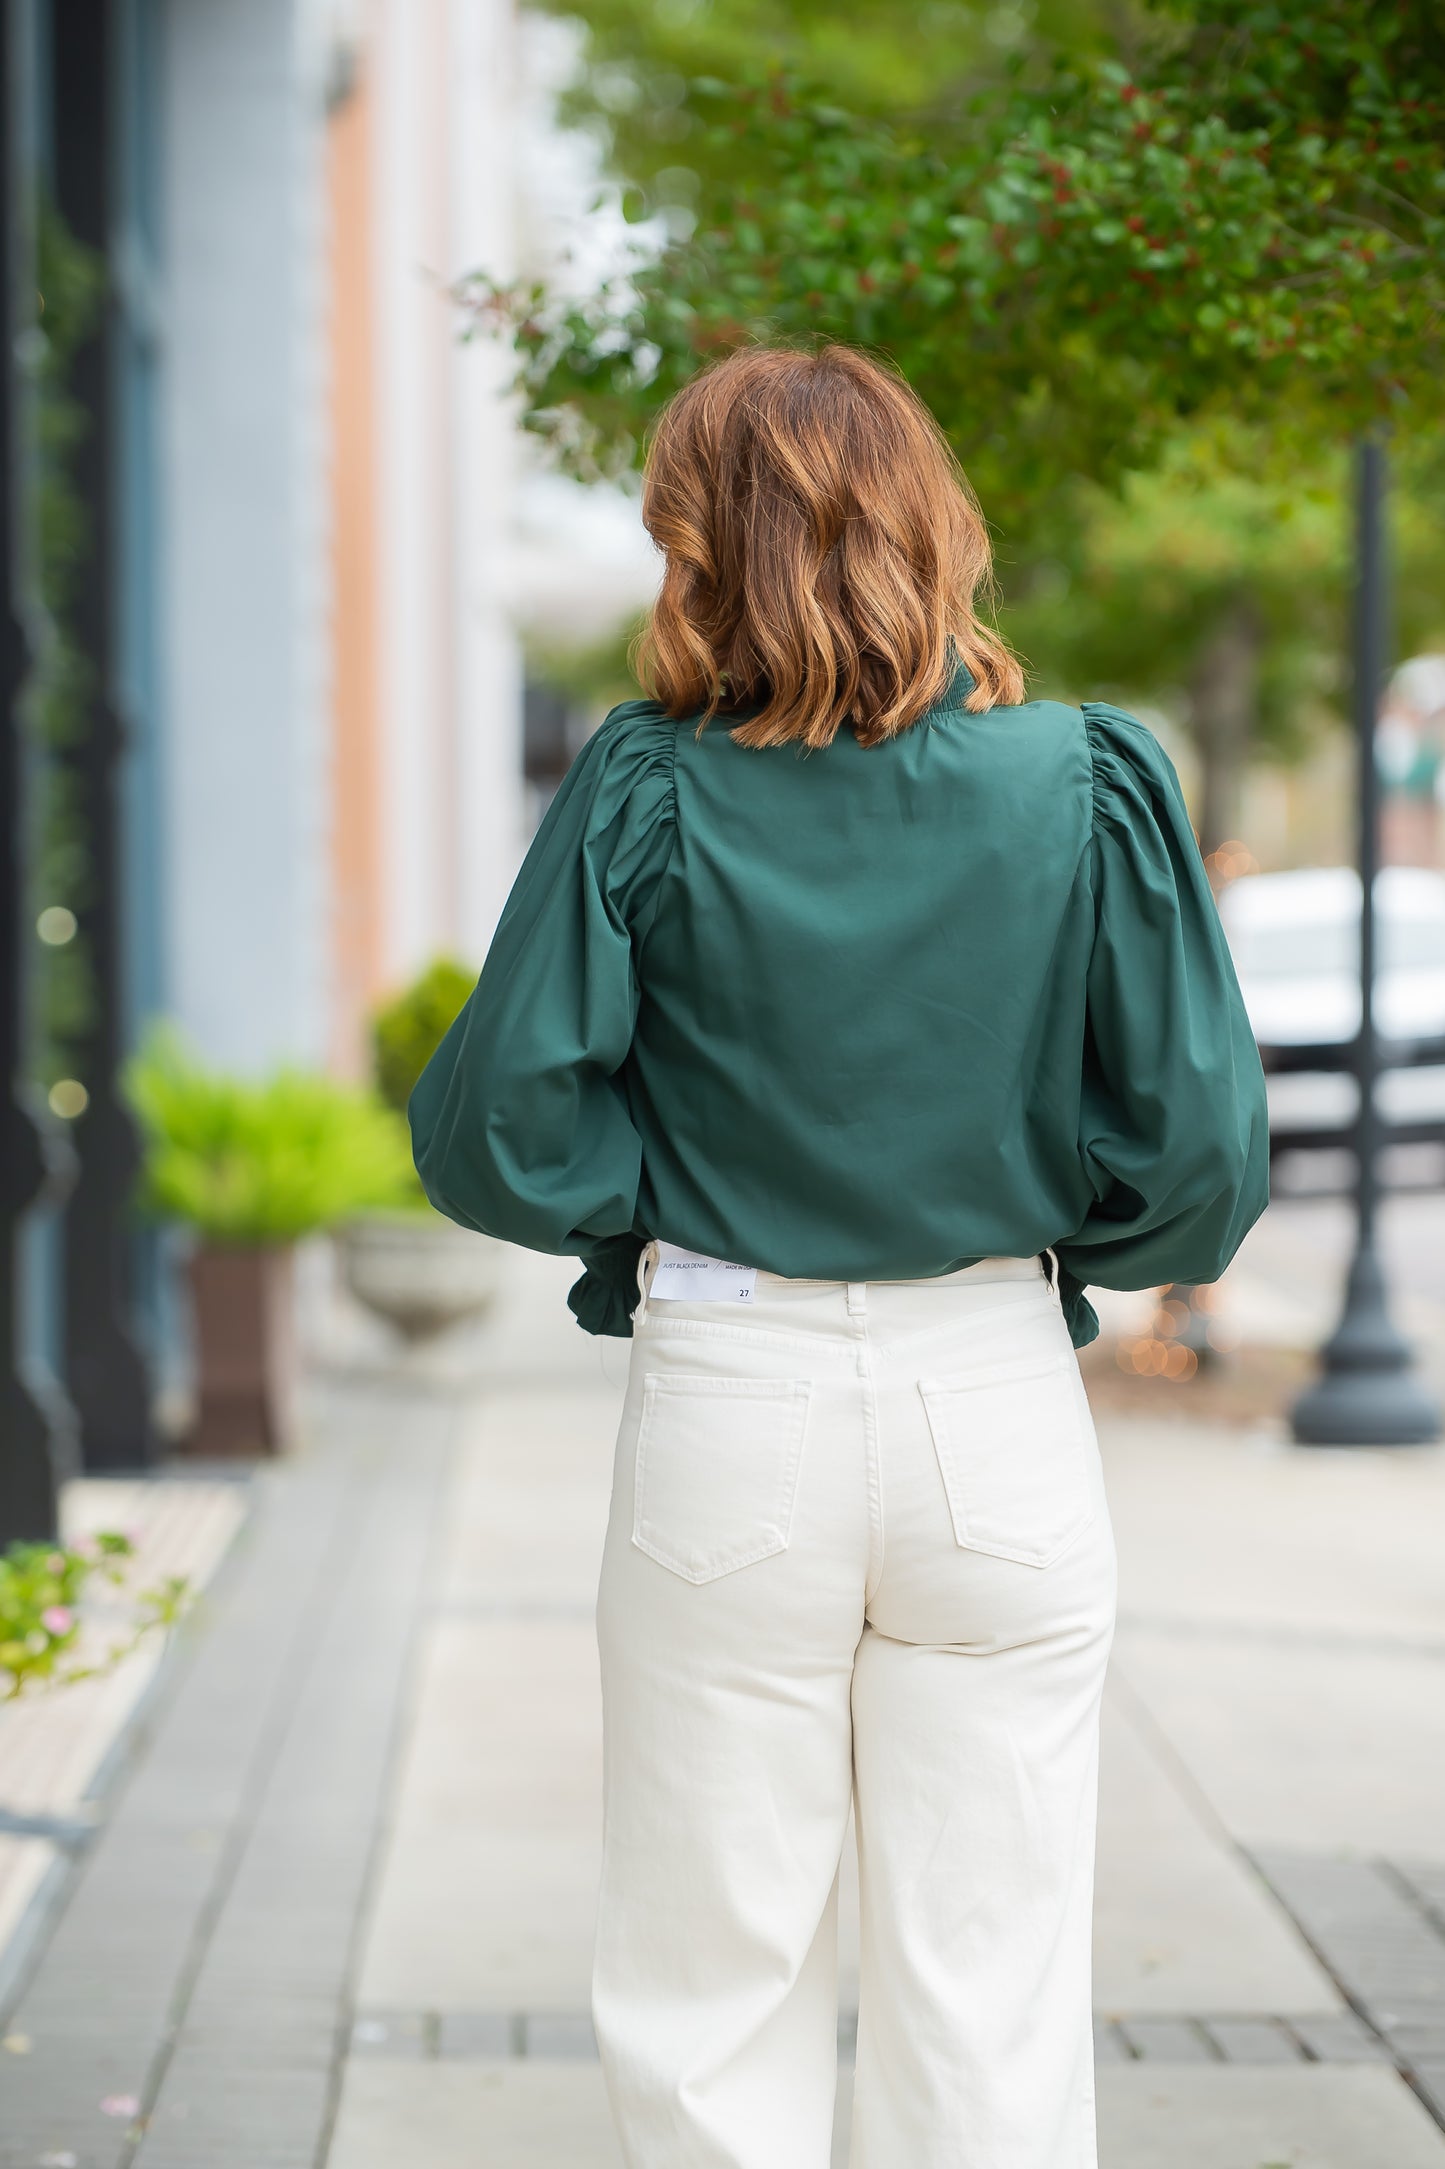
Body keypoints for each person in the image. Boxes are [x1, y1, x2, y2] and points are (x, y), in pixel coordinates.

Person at [408, 344, 1268, 2169]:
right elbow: (1197, 1152)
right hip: (994, 1397)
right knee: (992, 1984)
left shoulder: (644, 787)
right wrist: (1047, 1222)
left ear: (703, 550)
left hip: (734, 1390)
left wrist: (659, 1196)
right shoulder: (1091, 778)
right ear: (929, 524)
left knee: (711, 1974)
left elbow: (494, 1128)